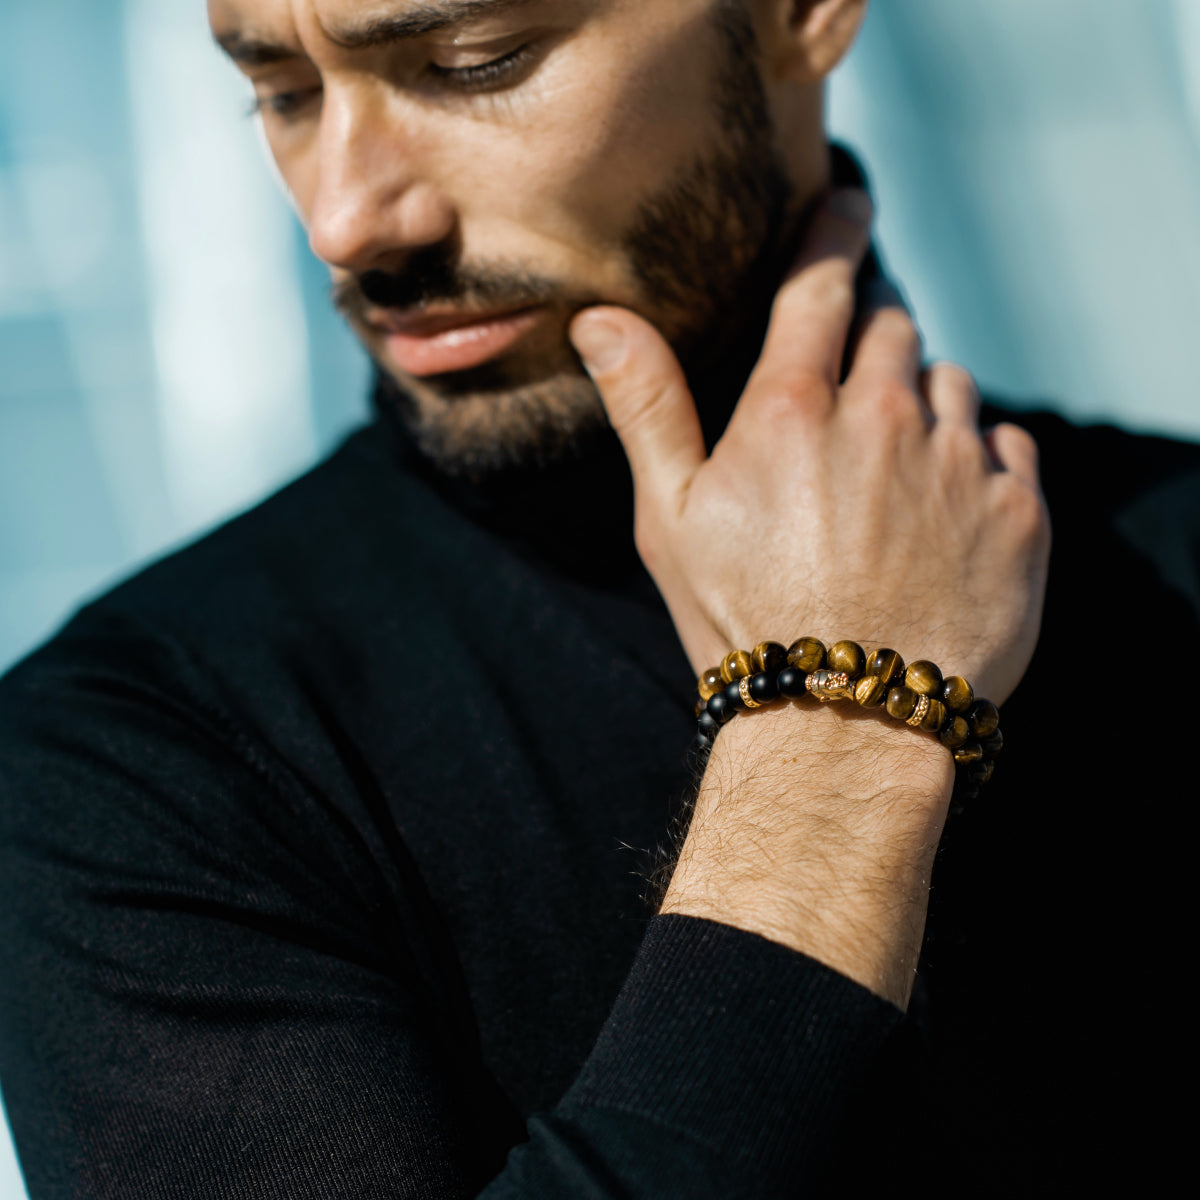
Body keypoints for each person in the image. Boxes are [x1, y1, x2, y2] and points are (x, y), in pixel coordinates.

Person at [0, 0, 1194, 1195]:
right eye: (285, 92)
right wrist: (836, 753)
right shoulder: (137, 755)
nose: (348, 220)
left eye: (476, 63)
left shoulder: (1171, 555)